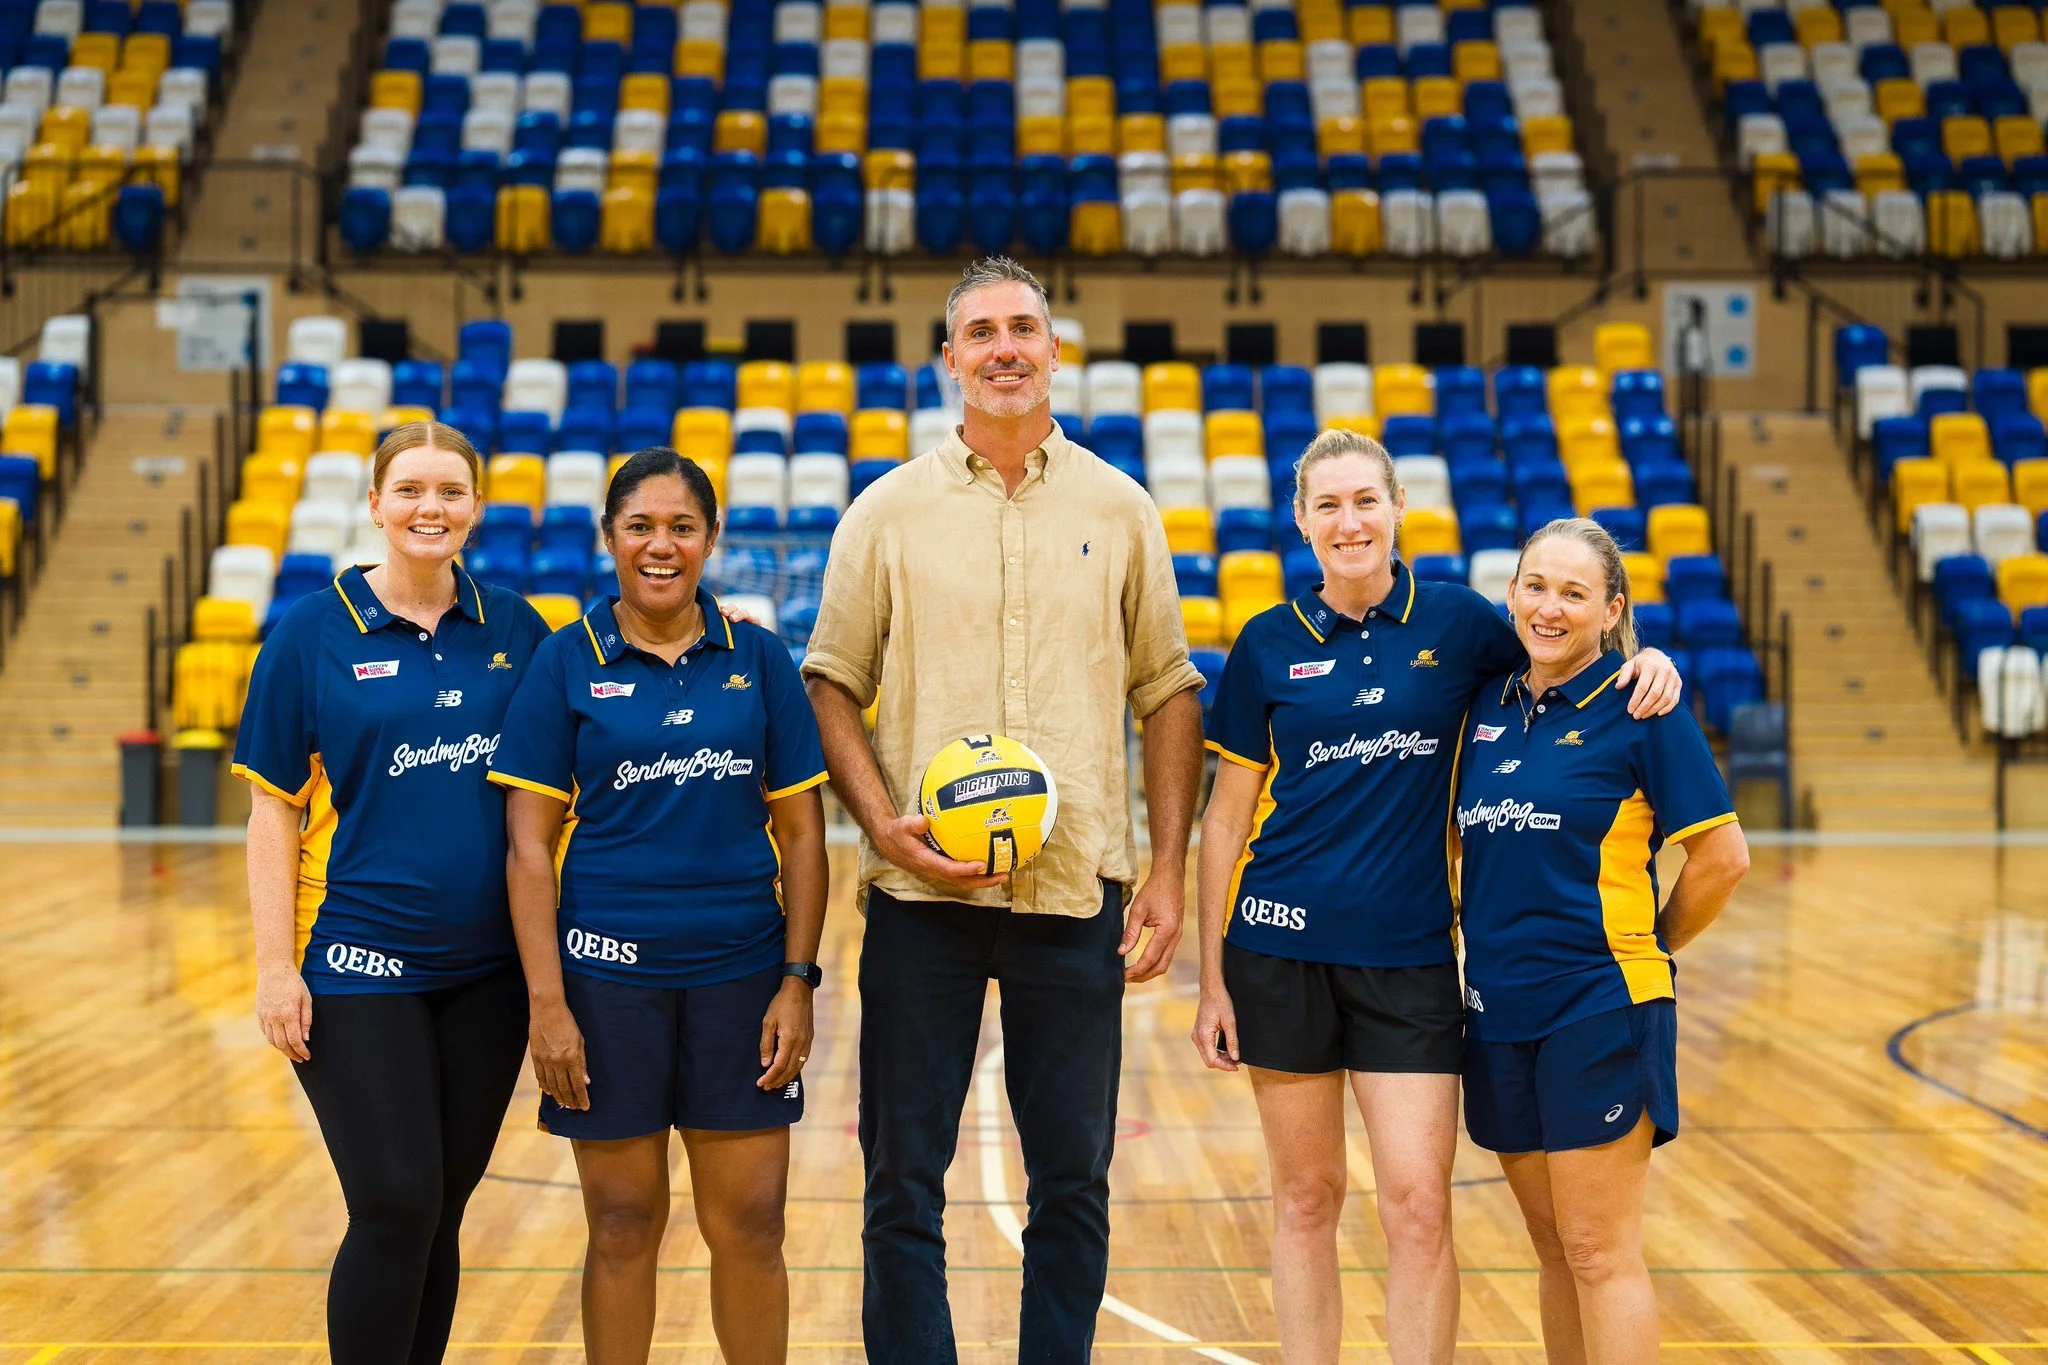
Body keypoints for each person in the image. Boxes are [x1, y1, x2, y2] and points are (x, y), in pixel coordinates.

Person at [1190, 431, 1684, 1365]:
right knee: (1305, 1199)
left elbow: (1564, 651)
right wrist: (1213, 981)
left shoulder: (1461, 625)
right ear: (1300, 521)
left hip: (1412, 958)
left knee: (1418, 1205)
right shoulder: (1264, 644)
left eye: (1364, 502)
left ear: (1398, 507)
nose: (1348, 522)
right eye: (1327, 506)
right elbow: (1224, 822)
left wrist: (1648, 661)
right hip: (1278, 950)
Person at [801, 256, 1207, 1363]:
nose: (1003, 348)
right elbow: (828, 679)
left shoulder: (1120, 509)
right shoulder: (884, 513)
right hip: (919, 893)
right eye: (979, 333)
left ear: (1054, 349)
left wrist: (1166, 870)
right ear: (948, 361)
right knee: (901, 1175)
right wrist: (883, 823)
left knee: (1072, 1176)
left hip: (1074, 889)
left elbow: (1168, 688)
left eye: (1022, 327)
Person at [489, 447, 829, 1365]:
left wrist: (798, 980)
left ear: (712, 539)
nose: (661, 545)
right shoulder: (564, 661)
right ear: (608, 539)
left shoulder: (758, 658)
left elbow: (803, 835)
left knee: (753, 1222)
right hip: (604, 990)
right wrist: (548, 1005)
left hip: (741, 982)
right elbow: (527, 847)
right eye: (640, 525)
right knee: (623, 1221)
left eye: (682, 526)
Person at [235, 421, 551, 1365]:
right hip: (355, 961)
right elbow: (271, 814)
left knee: (441, 1206)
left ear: (477, 509)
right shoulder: (310, 632)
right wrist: (272, 969)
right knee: (395, 1195)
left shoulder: (517, 630)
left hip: (487, 973)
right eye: (409, 490)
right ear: (374, 504)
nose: (430, 508)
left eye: (451, 491)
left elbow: (551, 800)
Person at [1455, 517, 1749, 1363]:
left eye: (1575, 593)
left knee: (1597, 1249)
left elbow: (1723, 858)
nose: (1550, 608)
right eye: (1536, 586)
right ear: (1511, 593)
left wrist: (1647, 950)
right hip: (1498, 1014)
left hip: (1599, 1010)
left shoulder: (1642, 706)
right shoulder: (1486, 705)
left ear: (1611, 608)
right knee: (1554, 1250)